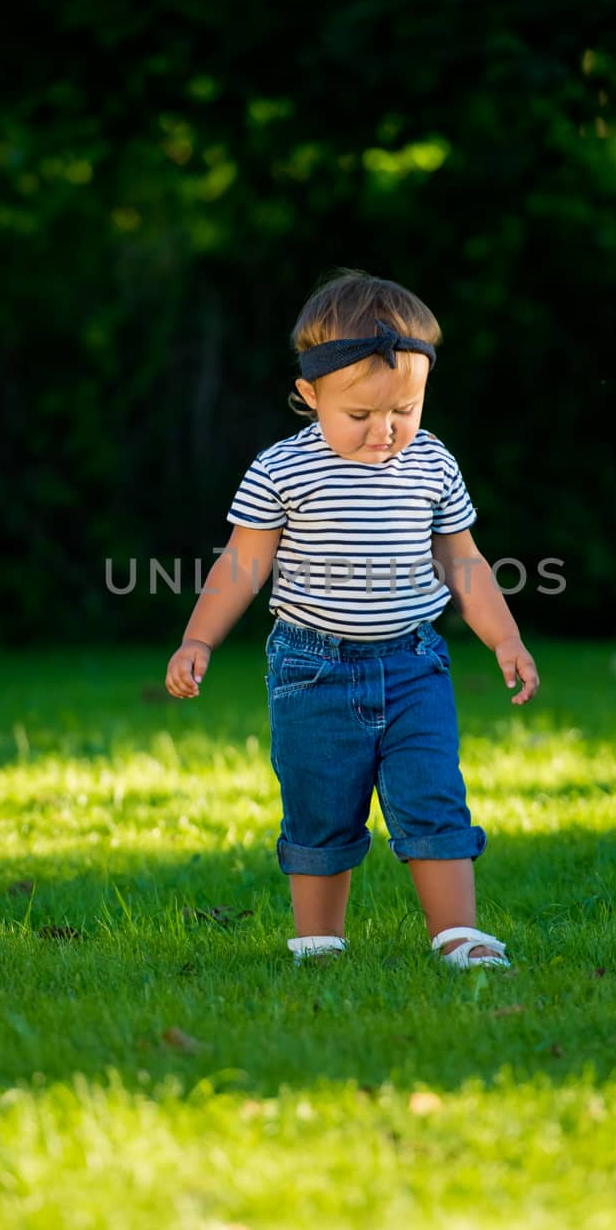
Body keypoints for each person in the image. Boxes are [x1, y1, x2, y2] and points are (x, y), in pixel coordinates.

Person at [165, 268, 539, 968]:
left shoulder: (431, 465)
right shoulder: (282, 470)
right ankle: (319, 943)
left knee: (432, 794)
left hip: (412, 663)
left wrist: (505, 637)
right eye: (360, 416)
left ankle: (457, 933)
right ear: (310, 395)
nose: (384, 432)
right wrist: (197, 638)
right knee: (320, 803)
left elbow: (462, 560)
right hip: (312, 669)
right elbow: (241, 564)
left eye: (404, 408)